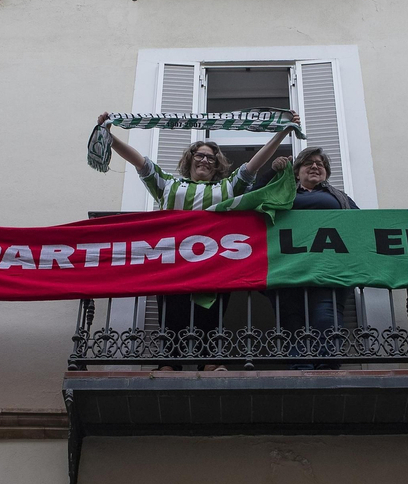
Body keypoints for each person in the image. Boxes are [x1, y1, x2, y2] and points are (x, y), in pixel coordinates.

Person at [96, 111, 299, 369]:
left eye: (211, 158)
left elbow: (254, 165)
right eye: (199, 155)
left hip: (213, 261)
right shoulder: (168, 184)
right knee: (172, 311)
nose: (204, 160)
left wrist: (283, 132)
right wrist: (110, 137)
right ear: (189, 159)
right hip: (173, 259)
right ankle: (169, 364)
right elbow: (140, 162)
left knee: (211, 313)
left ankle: (211, 362)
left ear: (217, 164)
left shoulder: (227, 187)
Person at [271, 146, 357, 369]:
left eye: (320, 164)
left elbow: (362, 223)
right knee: (291, 317)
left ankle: (327, 365)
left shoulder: (339, 197)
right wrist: (275, 174)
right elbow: (255, 201)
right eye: (308, 162)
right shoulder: (282, 193)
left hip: (328, 267)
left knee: (325, 314)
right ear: (297, 171)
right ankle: (300, 366)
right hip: (288, 266)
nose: (315, 166)